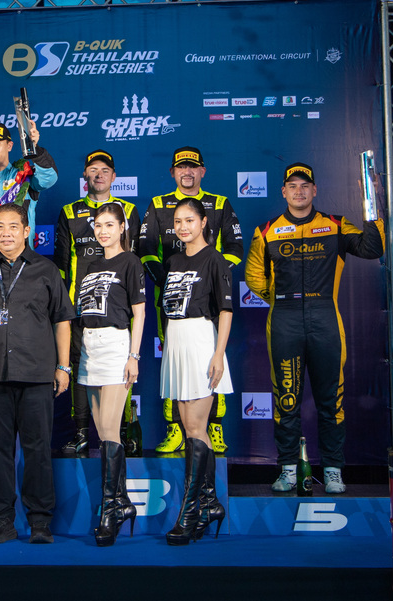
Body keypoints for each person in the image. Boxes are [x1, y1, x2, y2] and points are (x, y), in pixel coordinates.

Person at [245, 163, 384, 495]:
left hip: (325, 318)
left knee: (330, 400)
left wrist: (373, 206)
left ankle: (333, 470)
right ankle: (288, 469)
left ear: (315, 190)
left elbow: (372, 248)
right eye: (292, 186)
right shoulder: (267, 231)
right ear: (283, 192)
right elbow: (253, 276)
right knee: (286, 399)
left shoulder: (335, 225)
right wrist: (280, 299)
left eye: (305, 185)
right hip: (285, 320)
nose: (299, 191)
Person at [0, 204, 76, 544]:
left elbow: (62, 321)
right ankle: (2, 522)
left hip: (36, 373)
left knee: (38, 449)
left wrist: (63, 366)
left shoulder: (46, 270)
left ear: (27, 231)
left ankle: (40, 521)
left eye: (13, 226)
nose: (6, 232)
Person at [139, 146, 243, 455]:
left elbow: (235, 249)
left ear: (202, 171)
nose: (187, 172)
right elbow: (146, 249)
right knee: (177, 378)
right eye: (181, 167)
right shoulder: (159, 205)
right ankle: (175, 430)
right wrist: (168, 280)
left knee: (210, 376)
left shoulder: (220, 204)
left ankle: (215, 427)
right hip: (171, 310)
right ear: (173, 172)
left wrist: (207, 280)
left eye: (192, 167)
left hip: (204, 314)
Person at [55, 150, 140, 458]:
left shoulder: (129, 210)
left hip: (116, 310)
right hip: (79, 310)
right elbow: (62, 265)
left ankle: (124, 432)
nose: (99, 175)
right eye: (93, 169)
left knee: (121, 373)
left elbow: (134, 261)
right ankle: (80, 433)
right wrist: (64, 308)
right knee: (81, 371)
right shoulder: (69, 211)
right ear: (85, 175)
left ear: (114, 176)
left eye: (105, 170)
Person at [160, 197, 233, 546]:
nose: (183, 226)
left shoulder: (215, 259)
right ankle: (209, 502)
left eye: (189, 220)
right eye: (178, 221)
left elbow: (226, 310)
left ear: (204, 223)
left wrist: (218, 354)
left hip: (202, 342)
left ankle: (190, 512)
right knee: (190, 429)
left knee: (195, 428)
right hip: (176, 342)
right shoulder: (173, 261)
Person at [75, 202, 146, 546]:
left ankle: (110, 509)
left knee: (109, 429)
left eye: (109, 225)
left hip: (117, 345)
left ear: (122, 228)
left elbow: (140, 313)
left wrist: (134, 355)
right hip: (89, 347)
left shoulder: (130, 262)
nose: (103, 231)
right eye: (98, 225)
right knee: (101, 431)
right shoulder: (90, 265)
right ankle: (122, 502)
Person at [0, 121, 57, 261]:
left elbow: (49, 178)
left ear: (9, 145)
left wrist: (35, 149)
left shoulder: (25, 176)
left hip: (23, 262)